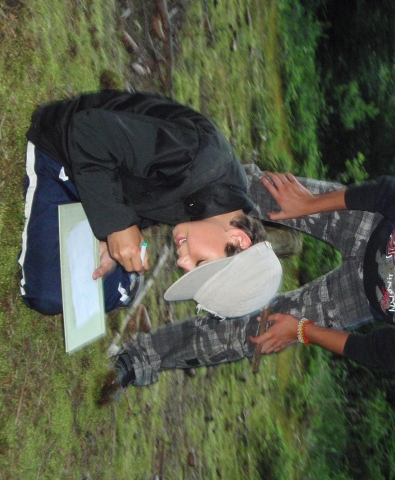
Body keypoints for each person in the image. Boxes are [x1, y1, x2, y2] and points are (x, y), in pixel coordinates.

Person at [100, 164, 395, 401]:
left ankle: (139, 361)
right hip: (369, 222)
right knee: (262, 194)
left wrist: (299, 330)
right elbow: (388, 192)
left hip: (361, 298)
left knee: (255, 333)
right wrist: (306, 204)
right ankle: (140, 184)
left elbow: (377, 353)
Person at [19, 90, 276, 315]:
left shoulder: (217, 207)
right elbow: (88, 129)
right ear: (238, 239)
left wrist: (112, 240)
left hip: (100, 186)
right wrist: (116, 226)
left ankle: (123, 278)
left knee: (93, 287)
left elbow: (148, 194)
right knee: (47, 293)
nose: (182, 263)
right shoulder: (195, 156)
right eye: (200, 263)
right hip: (63, 152)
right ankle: (123, 278)